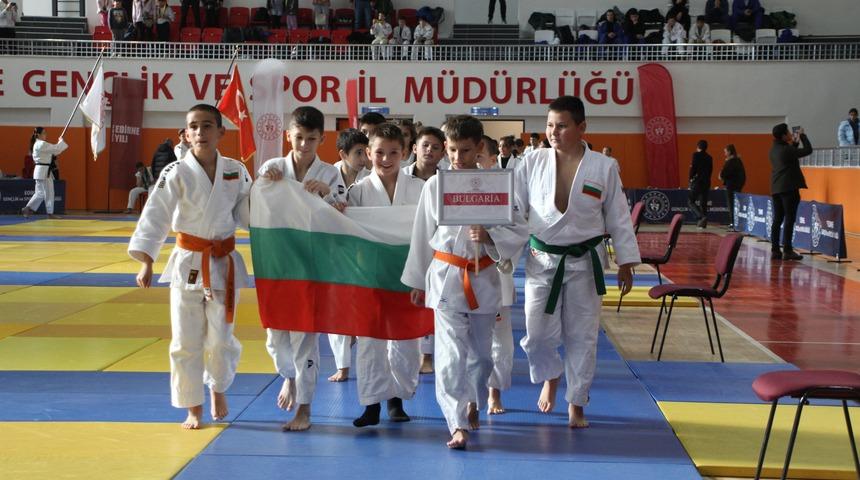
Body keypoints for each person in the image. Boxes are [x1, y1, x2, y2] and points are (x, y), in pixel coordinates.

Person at [402, 115, 527, 449]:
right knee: (451, 356)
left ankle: (474, 397)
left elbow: (520, 229)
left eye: (465, 150)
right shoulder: (434, 185)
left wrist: (490, 235)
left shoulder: (499, 185)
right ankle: (456, 423)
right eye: (452, 150)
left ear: (480, 148)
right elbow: (421, 234)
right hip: (445, 276)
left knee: (483, 357)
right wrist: (417, 279)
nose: (457, 158)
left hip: (484, 276)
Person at [514, 96, 639, 429]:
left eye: (562, 125)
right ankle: (551, 375)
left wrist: (626, 260)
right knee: (537, 334)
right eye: (550, 125)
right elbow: (514, 210)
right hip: (543, 260)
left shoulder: (603, 166)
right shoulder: (531, 162)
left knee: (582, 336)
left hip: (586, 261)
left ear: (582, 127)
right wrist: (499, 250)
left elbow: (618, 215)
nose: (553, 132)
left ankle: (577, 401)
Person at [128, 104, 252, 430]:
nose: (200, 132)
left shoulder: (236, 171)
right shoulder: (176, 172)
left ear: (221, 132)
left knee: (221, 337)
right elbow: (156, 214)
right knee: (185, 338)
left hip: (223, 262)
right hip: (189, 262)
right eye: (193, 127)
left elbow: (251, 211)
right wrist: (146, 260)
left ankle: (218, 388)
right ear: (185, 134)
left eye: (207, 126)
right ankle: (192, 404)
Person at [258, 106, 345, 431]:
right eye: (298, 138)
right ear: (287, 136)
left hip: (313, 263)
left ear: (322, 139)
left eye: (311, 139)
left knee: (306, 335)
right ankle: (289, 376)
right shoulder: (271, 167)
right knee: (275, 333)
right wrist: (267, 184)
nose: (304, 145)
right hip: (277, 262)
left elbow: (342, 211)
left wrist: (326, 195)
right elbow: (255, 207)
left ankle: (304, 409)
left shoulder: (329, 174)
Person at [348, 123, 425, 428]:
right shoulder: (358, 192)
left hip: (408, 273)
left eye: (394, 152)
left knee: (406, 338)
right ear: (368, 153)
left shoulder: (420, 189)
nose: (386, 158)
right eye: (379, 152)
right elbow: (341, 227)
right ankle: (371, 404)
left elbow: (429, 230)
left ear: (405, 153)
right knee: (369, 341)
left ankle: (397, 398)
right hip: (370, 274)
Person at [325, 128, 370, 383]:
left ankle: (365, 357)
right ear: (343, 154)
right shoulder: (327, 177)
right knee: (337, 307)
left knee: (363, 307)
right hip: (335, 251)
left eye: (365, 152)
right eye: (358, 153)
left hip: (365, 250)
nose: (364, 158)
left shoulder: (370, 179)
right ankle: (342, 366)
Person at [769, 123, 813, 261]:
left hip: (776, 188)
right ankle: (787, 250)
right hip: (788, 188)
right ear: (783, 135)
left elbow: (789, 157)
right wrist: (803, 135)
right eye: (787, 132)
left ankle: (775, 250)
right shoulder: (786, 150)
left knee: (777, 220)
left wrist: (794, 144)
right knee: (789, 218)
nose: (789, 133)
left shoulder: (773, 149)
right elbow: (808, 150)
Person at [22, 128, 67, 218]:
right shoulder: (41, 144)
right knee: (49, 192)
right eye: (44, 133)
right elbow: (56, 149)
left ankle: (28, 207)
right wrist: (61, 141)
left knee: (40, 193)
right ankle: (50, 213)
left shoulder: (38, 144)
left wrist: (59, 143)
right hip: (43, 171)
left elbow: (53, 151)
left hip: (40, 171)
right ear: (38, 135)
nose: (45, 135)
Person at [718, 144, 745, 230]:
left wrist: (721, 174)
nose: (724, 154)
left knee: (731, 205)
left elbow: (722, 174)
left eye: (725, 152)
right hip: (738, 186)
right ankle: (735, 222)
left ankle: (733, 222)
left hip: (730, 186)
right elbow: (743, 175)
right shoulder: (738, 161)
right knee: (736, 204)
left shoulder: (730, 162)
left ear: (729, 152)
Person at [688, 140, 713, 229]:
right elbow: (710, 171)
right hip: (706, 182)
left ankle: (701, 217)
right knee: (703, 203)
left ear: (698, 146)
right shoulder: (709, 157)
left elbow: (693, 167)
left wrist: (690, 178)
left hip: (697, 181)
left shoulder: (696, 155)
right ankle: (703, 223)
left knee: (691, 201)